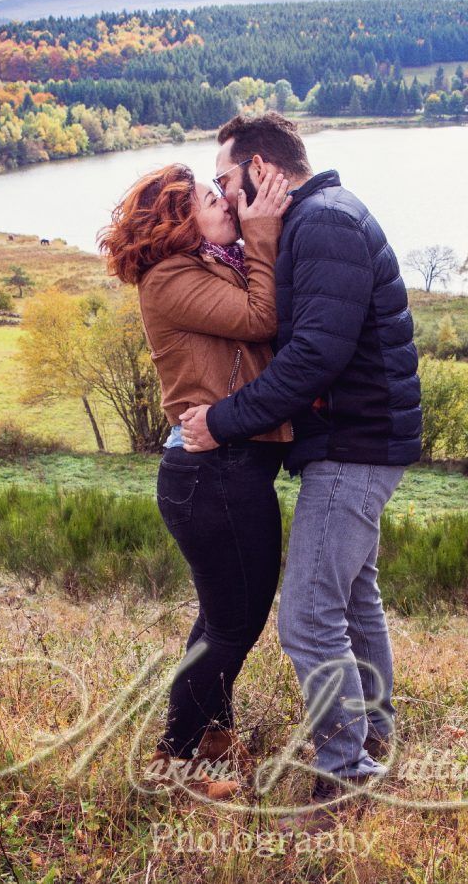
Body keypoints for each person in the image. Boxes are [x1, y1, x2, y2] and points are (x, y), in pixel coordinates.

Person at [179, 112, 422, 831]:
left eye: (225, 179)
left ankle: (345, 775)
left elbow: (315, 355)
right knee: (352, 600)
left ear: (261, 169)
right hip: (358, 438)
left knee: (307, 619)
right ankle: (373, 734)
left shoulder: (321, 224)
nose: (221, 194)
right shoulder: (320, 217)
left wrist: (218, 420)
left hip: (353, 444)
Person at [96, 161, 292, 801]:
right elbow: (262, 317)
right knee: (235, 625)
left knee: (221, 619)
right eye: (214, 197)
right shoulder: (171, 278)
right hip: (213, 474)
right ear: (182, 219)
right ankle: (174, 759)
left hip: (224, 469)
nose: (228, 201)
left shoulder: (206, 264)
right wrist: (262, 231)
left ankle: (208, 740)